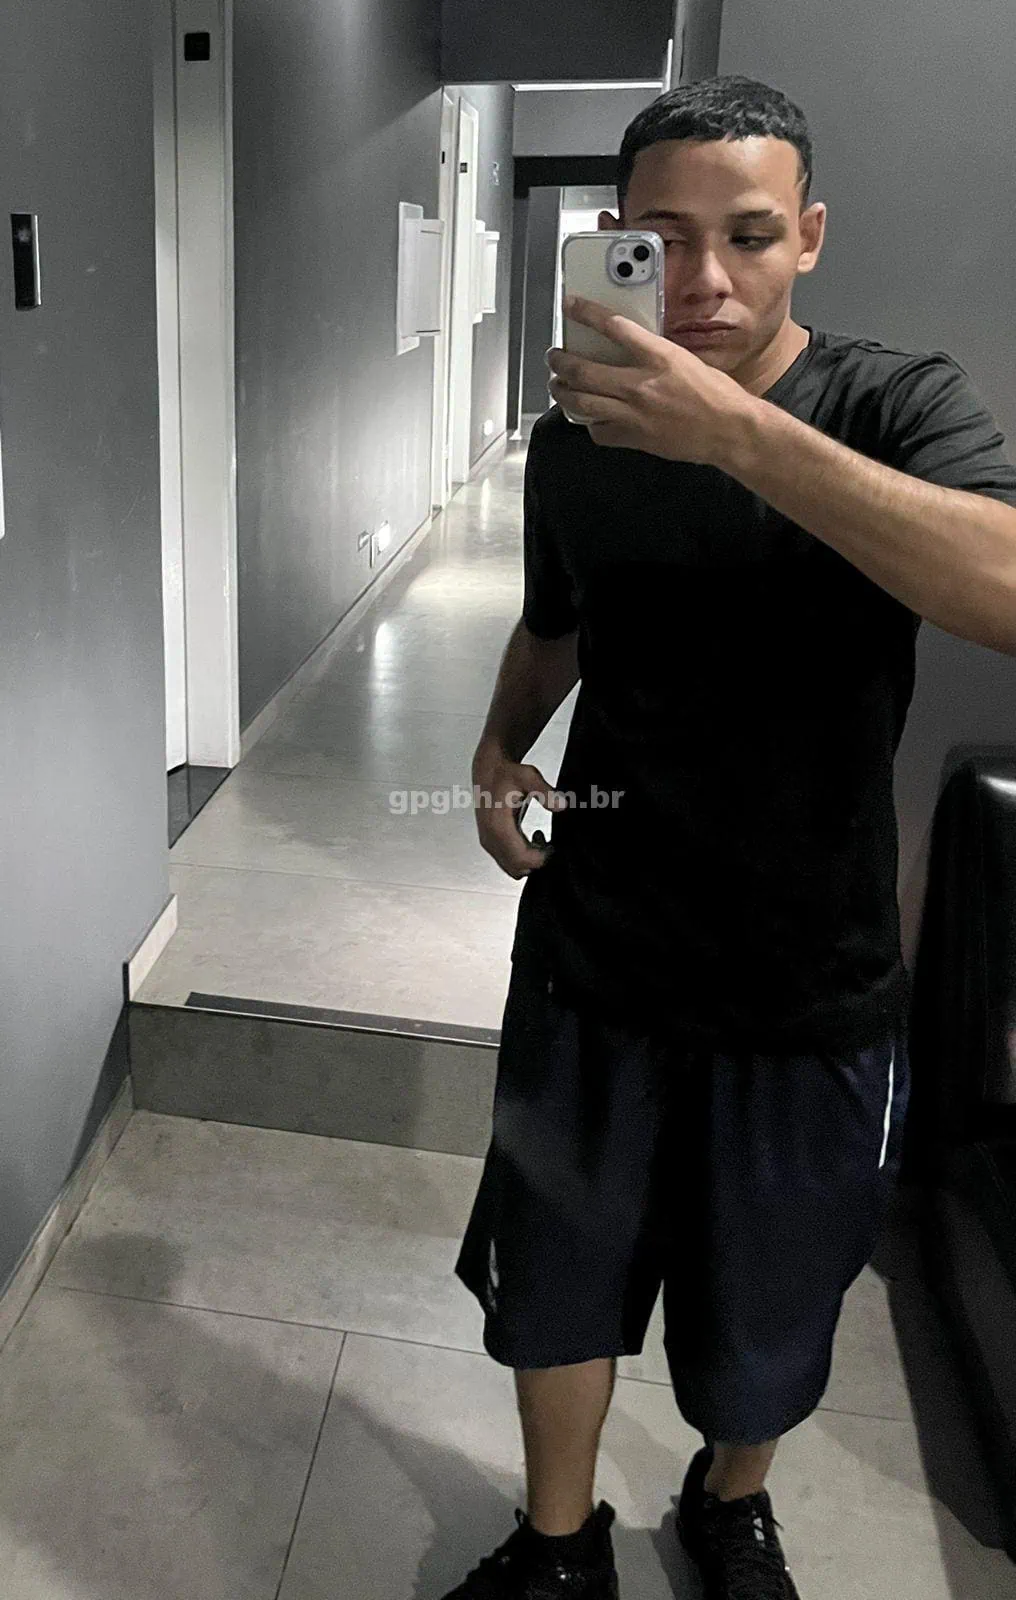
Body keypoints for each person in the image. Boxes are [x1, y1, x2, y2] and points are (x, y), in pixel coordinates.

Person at [447, 75, 1016, 1600]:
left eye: (749, 237)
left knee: (769, 1315)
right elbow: (558, 621)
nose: (703, 280)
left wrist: (739, 441)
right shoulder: (582, 436)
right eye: (664, 238)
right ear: (615, 236)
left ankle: (729, 1503)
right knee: (555, 1283)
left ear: (808, 236)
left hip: (808, 979)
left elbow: (1008, 587)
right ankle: (558, 1545)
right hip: (596, 957)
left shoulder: (897, 405)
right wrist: (498, 746)